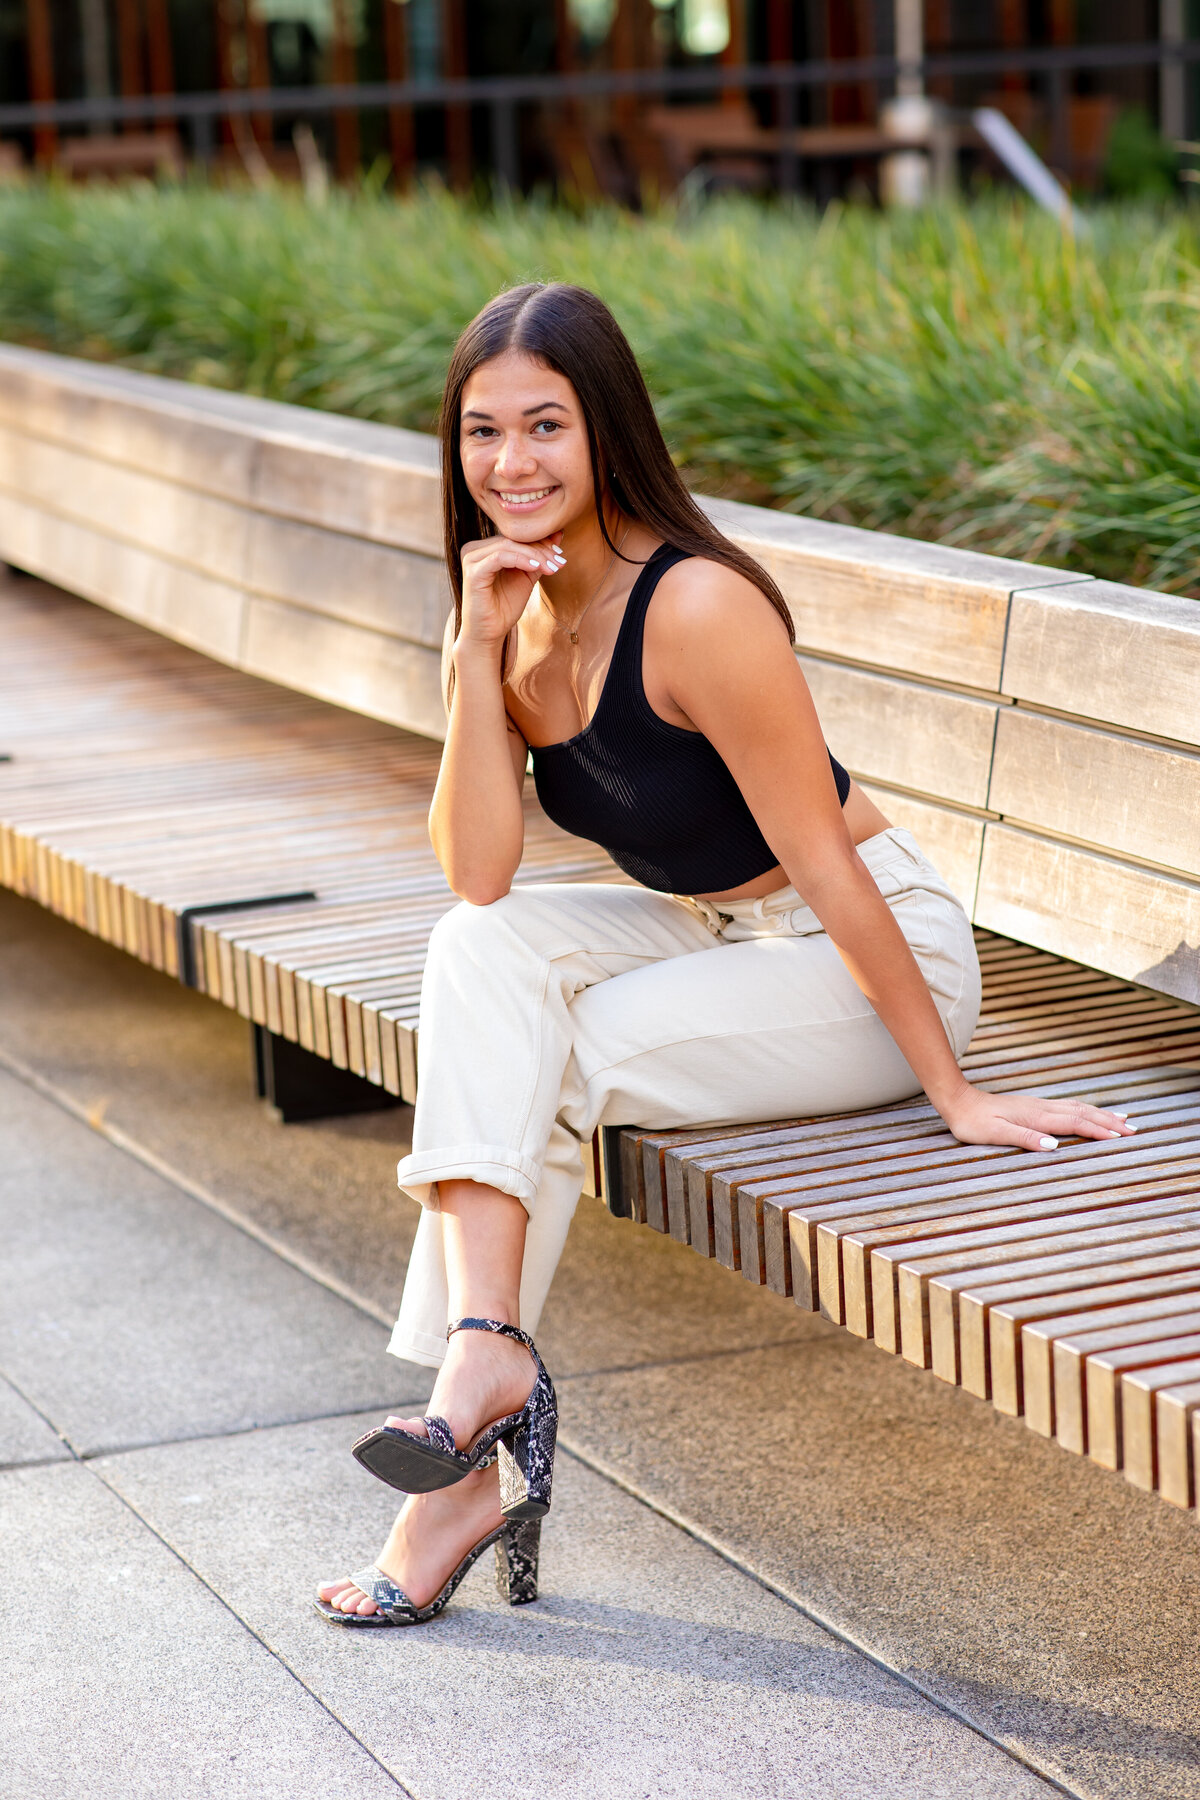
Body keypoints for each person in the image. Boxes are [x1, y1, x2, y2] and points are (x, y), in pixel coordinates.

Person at [316, 283, 1134, 1628]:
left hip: (873, 954)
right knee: (479, 951)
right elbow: (480, 871)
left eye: (545, 427)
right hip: (715, 937)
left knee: (547, 1058)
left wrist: (955, 1090)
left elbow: (822, 856)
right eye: (480, 433)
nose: (510, 463)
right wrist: (469, 656)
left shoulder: (695, 606)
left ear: (607, 432)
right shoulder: (508, 619)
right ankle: (484, 1364)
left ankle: (461, 1446)